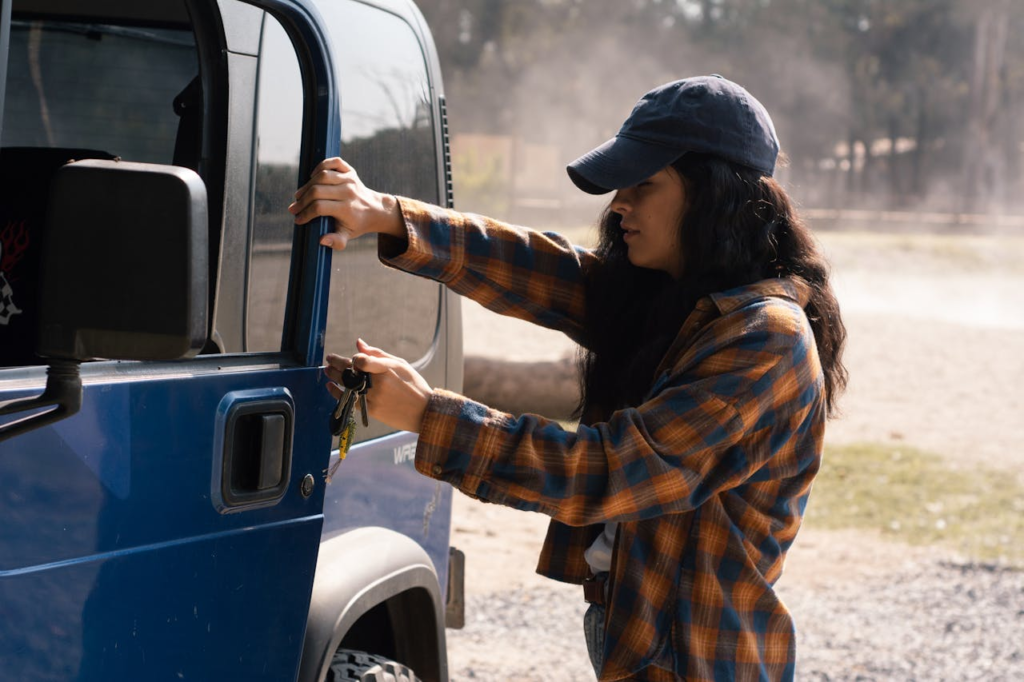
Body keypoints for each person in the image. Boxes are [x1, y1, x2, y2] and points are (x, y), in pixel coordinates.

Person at [289, 75, 847, 681]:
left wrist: (427, 416)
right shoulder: (676, 297)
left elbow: (605, 472)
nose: (618, 206)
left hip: (700, 661)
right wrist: (390, 217)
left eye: (643, 184)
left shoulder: (765, 341)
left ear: (716, 196)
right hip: (648, 636)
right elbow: (540, 267)